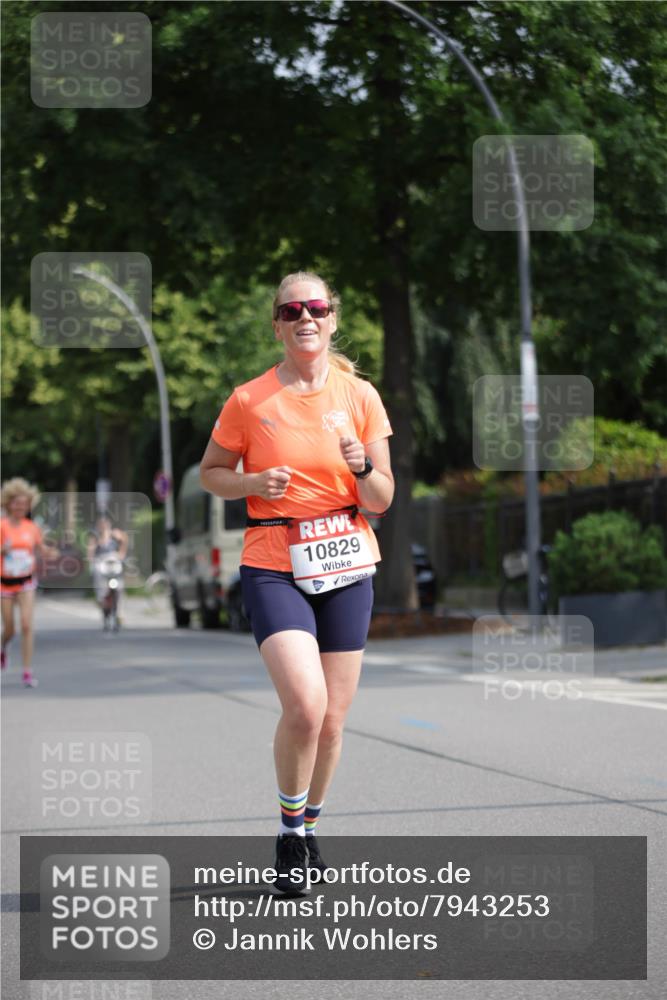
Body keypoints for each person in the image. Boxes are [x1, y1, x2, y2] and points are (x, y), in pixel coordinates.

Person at [200, 271, 394, 893]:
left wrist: (363, 467)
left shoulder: (360, 396)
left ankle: (309, 827)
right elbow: (210, 472)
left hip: (346, 560)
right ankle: (288, 835)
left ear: (332, 318)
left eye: (315, 308)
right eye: (292, 311)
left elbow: (382, 497)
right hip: (273, 559)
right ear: (277, 326)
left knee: (332, 720)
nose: (305, 318)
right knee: (305, 707)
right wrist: (251, 483)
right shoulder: (249, 400)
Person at [1, 478, 58, 688]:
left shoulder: (32, 527)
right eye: (17, 503)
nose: (20, 507)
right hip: (5, 582)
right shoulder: (2, 526)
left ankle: (27, 671)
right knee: (10, 628)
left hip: (26, 580)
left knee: (26, 625)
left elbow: (41, 548)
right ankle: (3, 647)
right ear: (9, 503)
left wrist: (50, 552)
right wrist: (2, 550)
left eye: (24, 504)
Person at [87, 516, 129, 629]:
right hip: (101, 564)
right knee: (98, 579)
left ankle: (119, 612)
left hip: (113, 563)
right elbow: (90, 552)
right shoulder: (95, 538)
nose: (103, 527)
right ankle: (101, 598)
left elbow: (124, 539)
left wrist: (122, 553)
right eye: (101, 525)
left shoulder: (114, 535)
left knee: (119, 586)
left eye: (105, 525)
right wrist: (92, 560)